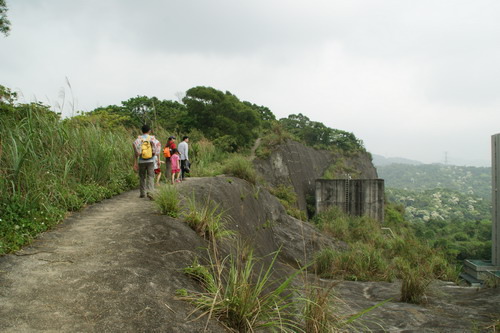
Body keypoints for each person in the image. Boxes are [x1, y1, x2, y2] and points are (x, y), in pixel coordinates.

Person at [133, 124, 161, 199]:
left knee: (142, 177)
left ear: (141, 131)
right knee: (151, 177)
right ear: (149, 131)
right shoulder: (152, 138)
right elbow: (158, 149)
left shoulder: (138, 139)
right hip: (151, 160)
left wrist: (135, 162)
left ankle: (142, 193)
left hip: (141, 161)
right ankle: (151, 193)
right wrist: (158, 160)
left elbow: (135, 151)